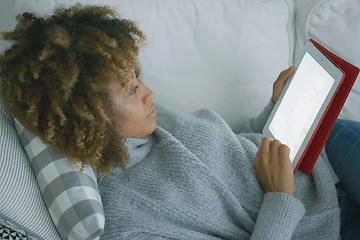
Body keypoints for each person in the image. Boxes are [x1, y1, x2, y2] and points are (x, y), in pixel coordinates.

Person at [0, 4, 358, 239]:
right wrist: (279, 197)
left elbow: (228, 151)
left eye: (136, 78)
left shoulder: (147, 122)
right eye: (130, 89)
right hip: (327, 225)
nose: (148, 92)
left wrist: (274, 110)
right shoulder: (130, 222)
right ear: (88, 117)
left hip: (321, 152)